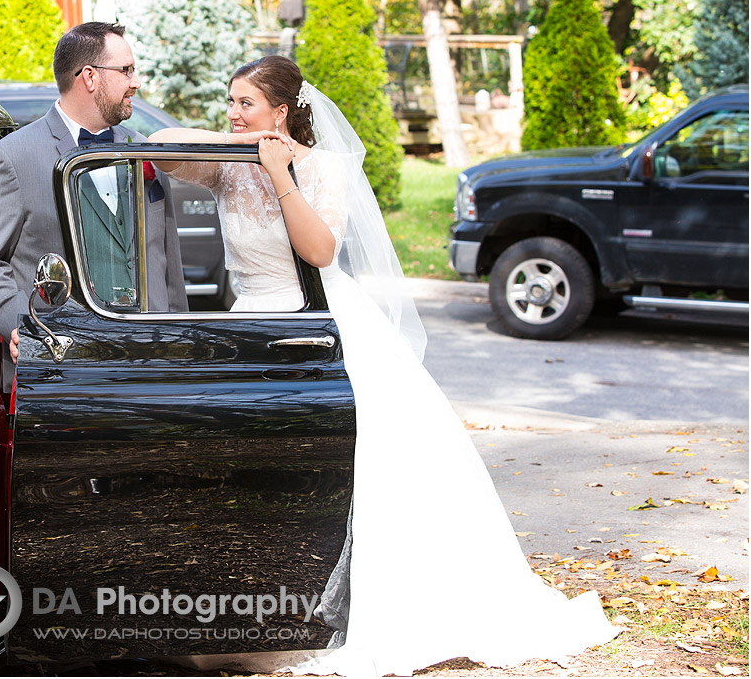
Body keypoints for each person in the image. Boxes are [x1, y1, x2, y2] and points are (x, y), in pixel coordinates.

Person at [150, 56, 617, 676]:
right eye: (230, 101)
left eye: (247, 104)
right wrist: (244, 144)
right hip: (251, 326)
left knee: (360, 466)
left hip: (318, 326)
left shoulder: (322, 169)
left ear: (282, 111)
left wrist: (281, 173)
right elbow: (157, 145)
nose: (233, 113)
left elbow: (319, 251)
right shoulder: (227, 166)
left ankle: (364, 603)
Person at [0, 22, 188, 384]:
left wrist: (179, 345)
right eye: (126, 70)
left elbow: (168, 261)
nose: (136, 82)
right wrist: (27, 328)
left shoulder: (145, 150)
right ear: (90, 77)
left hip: (151, 362)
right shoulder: (12, 158)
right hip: (64, 369)